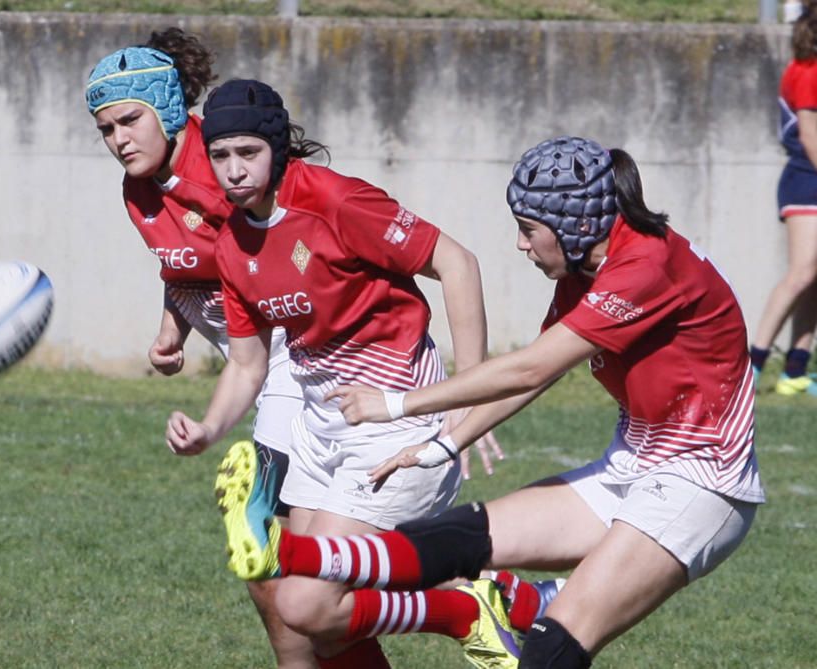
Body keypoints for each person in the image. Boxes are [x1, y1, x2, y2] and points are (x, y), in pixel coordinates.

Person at [215, 136, 765, 669]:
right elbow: (529, 380)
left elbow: (530, 366)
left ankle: (522, 604)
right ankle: (288, 557)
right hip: (632, 469)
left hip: (700, 487)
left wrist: (400, 405)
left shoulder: (644, 268)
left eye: (528, 230)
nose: (521, 245)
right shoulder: (585, 275)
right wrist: (443, 445)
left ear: (574, 225)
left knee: (551, 648)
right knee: (454, 539)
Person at [166, 78, 493, 668]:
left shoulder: (338, 202)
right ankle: (450, 597)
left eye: (248, 152)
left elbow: (458, 262)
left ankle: (462, 608)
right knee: (303, 623)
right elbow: (247, 363)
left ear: (277, 149)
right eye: (219, 156)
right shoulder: (234, 243)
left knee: (309, 603)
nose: (234, 170)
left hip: (396, 427)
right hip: (320, 432)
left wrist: (469, 394)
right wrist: (209, 430)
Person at [85, 31, 314, 668]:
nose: (119, 139)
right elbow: (184, 265)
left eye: (130, 120)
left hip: (303, 359)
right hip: (259, 370)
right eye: (106, 129)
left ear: (166, 107)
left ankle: (463, 594)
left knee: (297, 551)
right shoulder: (138, 190)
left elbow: (279, 256)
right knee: (271, 574)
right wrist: (173, 329)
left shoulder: (223, 168)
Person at [750, 0, 817, 396]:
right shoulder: (807, 73)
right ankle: (752, 365)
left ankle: (795, 369)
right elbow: (809, 137)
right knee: (801, 273)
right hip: (806, 181)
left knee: (813, 279)